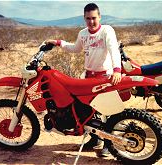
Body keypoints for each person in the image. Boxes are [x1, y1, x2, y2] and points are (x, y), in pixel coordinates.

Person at [45, 3, 122, 157]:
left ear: (99, 17)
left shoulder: (107, 30)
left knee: (106, 111)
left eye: (94, 18)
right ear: (84, 18)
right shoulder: (83, 33)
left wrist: (117, 70)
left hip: (105, 77)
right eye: (88, 19)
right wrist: (59, 43)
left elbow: (114, 49)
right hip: (87, 77)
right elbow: (75, 48)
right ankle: (95, 140)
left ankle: (109, 143)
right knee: (86, 110)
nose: (91, 22)